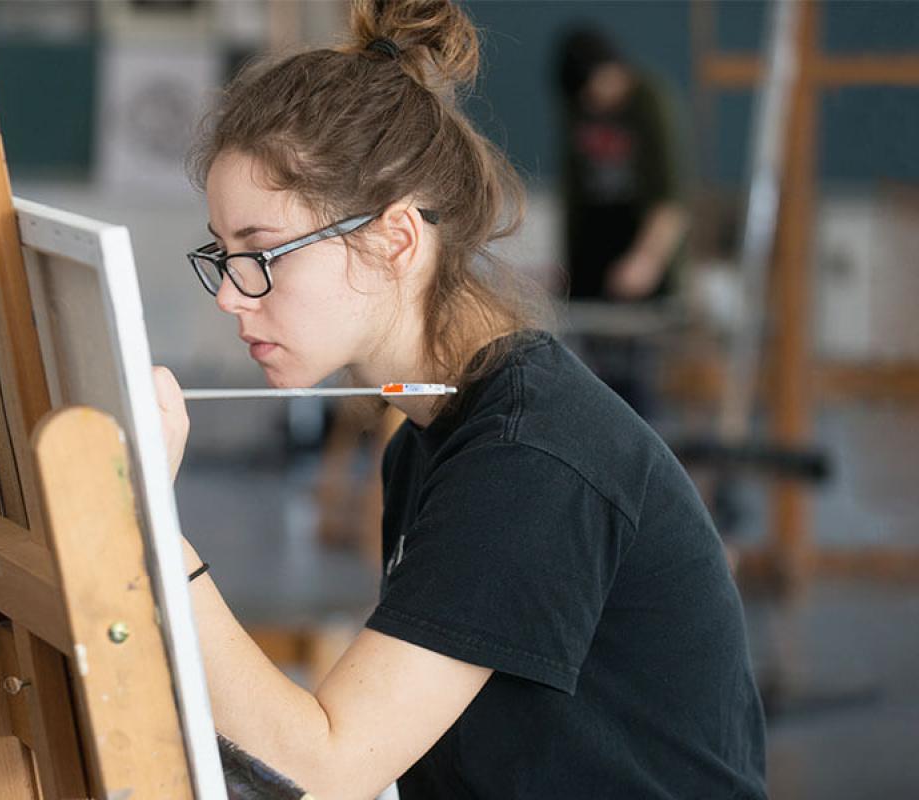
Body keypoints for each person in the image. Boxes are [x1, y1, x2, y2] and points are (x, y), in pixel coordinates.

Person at [151, 1, 767, 797]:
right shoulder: (427, 435)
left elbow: (325, 768)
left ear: (398, 239)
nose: (232, 298)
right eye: (224, 255)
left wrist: (152, 529)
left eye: (262, 255)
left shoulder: (528, 460)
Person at [555, 25, 689, 417]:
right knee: (592, 381)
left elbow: (670, 198)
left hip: (642, 261)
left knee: (637, 385)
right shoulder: (577, 109)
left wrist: (646, 260)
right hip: (593, 260)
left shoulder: (651, 100)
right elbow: (574, 198)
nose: (593, 104)